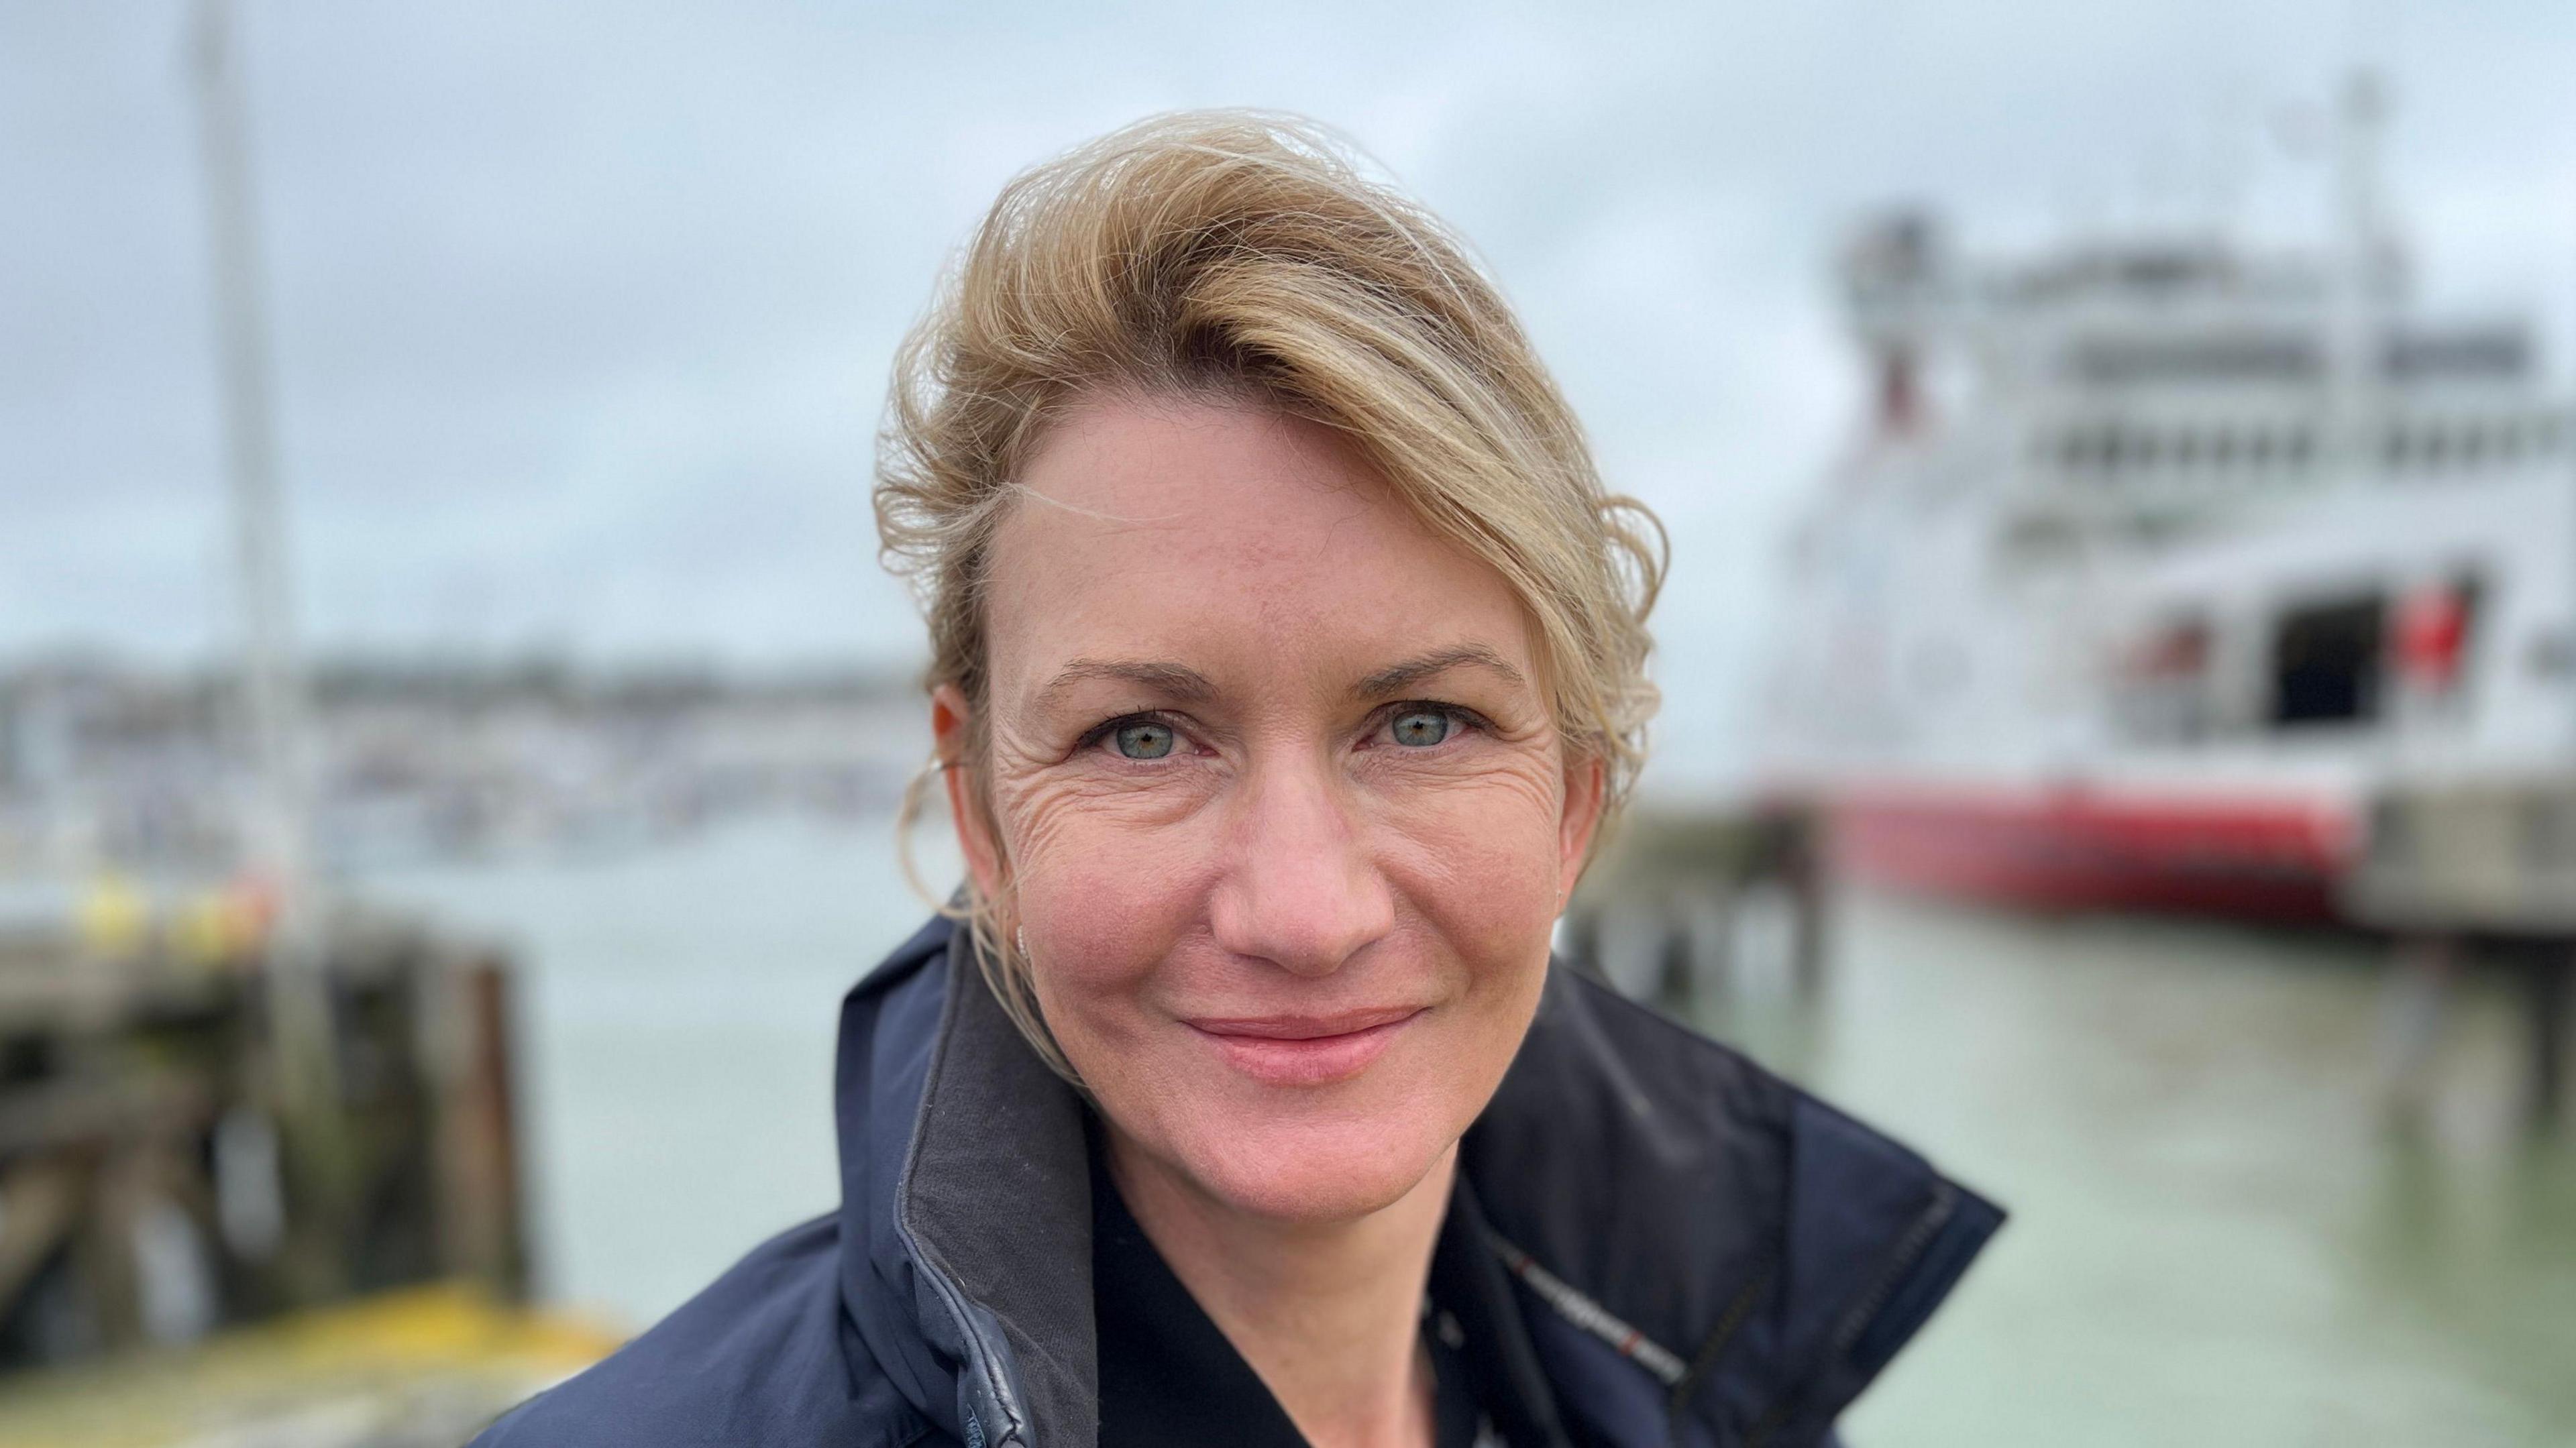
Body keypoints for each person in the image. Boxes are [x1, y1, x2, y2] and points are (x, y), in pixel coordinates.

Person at [474, 112, 2000, 1448]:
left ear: (1579, 800)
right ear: (983, 813)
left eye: (1422, 724)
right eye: (1143, 737)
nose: (1303, 910)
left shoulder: (1721, 1368)